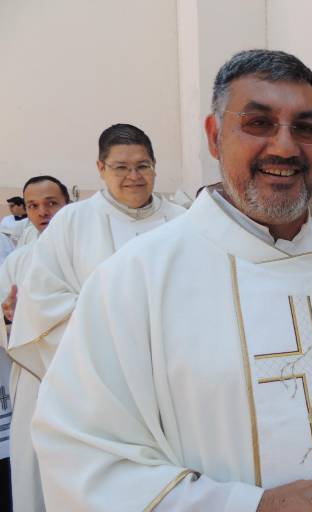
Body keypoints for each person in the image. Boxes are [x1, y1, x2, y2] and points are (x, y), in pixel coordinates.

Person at [32, 49, 312, 511]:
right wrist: (251, 506)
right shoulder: (135, 279)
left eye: (306, 128)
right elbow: (85, 454)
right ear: (214, 136)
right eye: (258, 123)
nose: (285, 147)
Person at [7, 125, 184, 511]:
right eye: (121, 167)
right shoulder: (71, 222)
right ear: (101, 168)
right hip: (94, 382)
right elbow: (42, 303)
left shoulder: (182, 221)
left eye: (143, 166)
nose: (133, 176)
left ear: (155, 167)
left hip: (170, 383)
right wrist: (118, 333)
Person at [0, 176, 70, 512]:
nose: (43, 212)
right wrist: (9, 317)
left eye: (51, 203)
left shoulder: (90, 255)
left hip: (84, 375)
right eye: (33, 206)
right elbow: (5, 320)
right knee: (32, 467)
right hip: (33, 379)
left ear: (67, 204)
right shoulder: (18, 261)